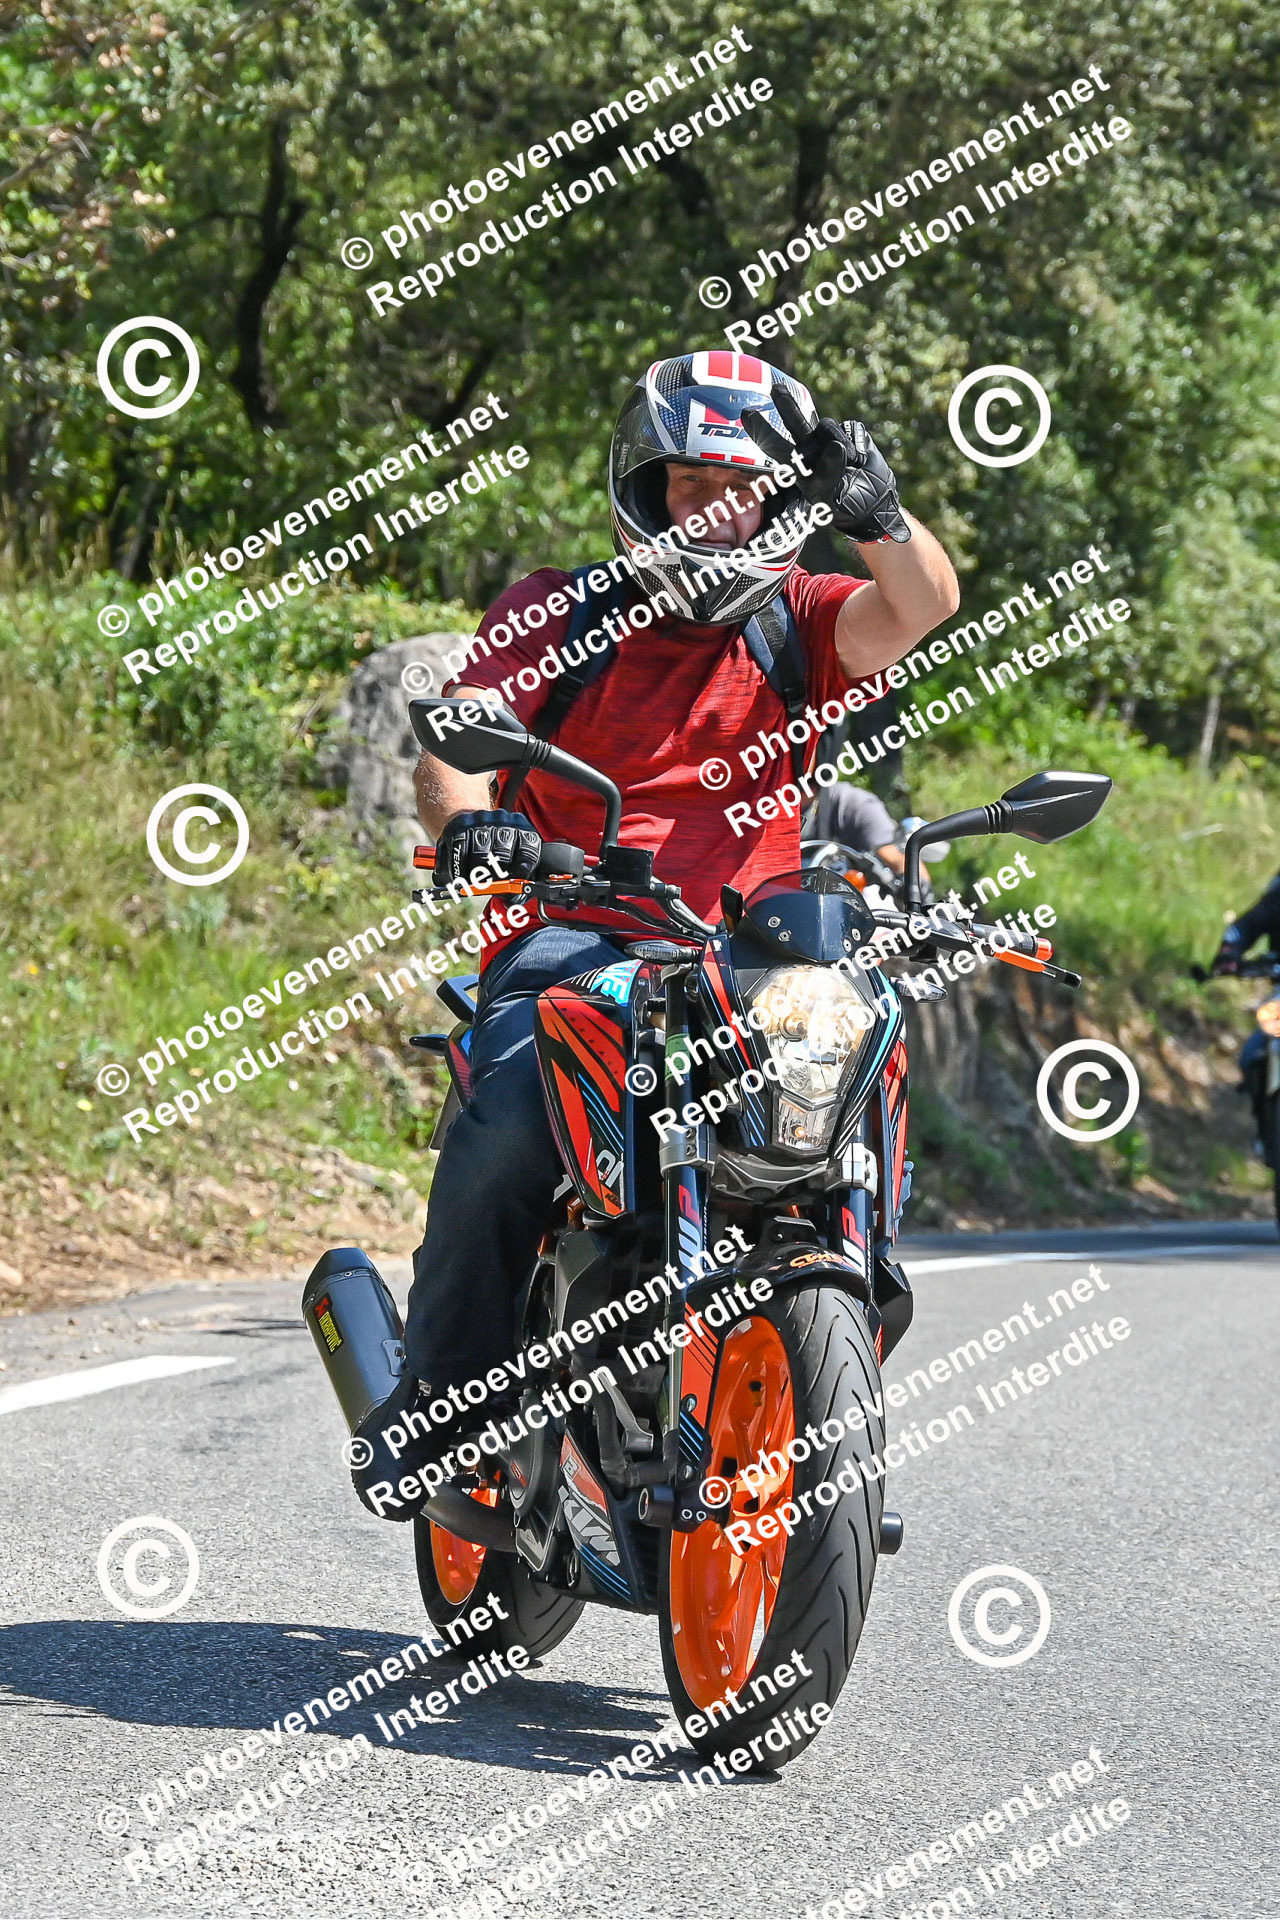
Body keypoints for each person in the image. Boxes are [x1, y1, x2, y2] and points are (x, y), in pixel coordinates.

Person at [353, 350, 960, 1515]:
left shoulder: (800, 619)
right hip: (577, 935)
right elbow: (456, 744)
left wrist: (878, 514)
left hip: (754, 957)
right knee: (511, 1104)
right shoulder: (558, 609)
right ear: (644, 487)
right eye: (688, 483)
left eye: (738, 487)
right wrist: (473, 825)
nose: (710, 507)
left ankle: (833, 1326)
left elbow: (919, 605)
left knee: (860, 1070)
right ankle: (441, 1398)